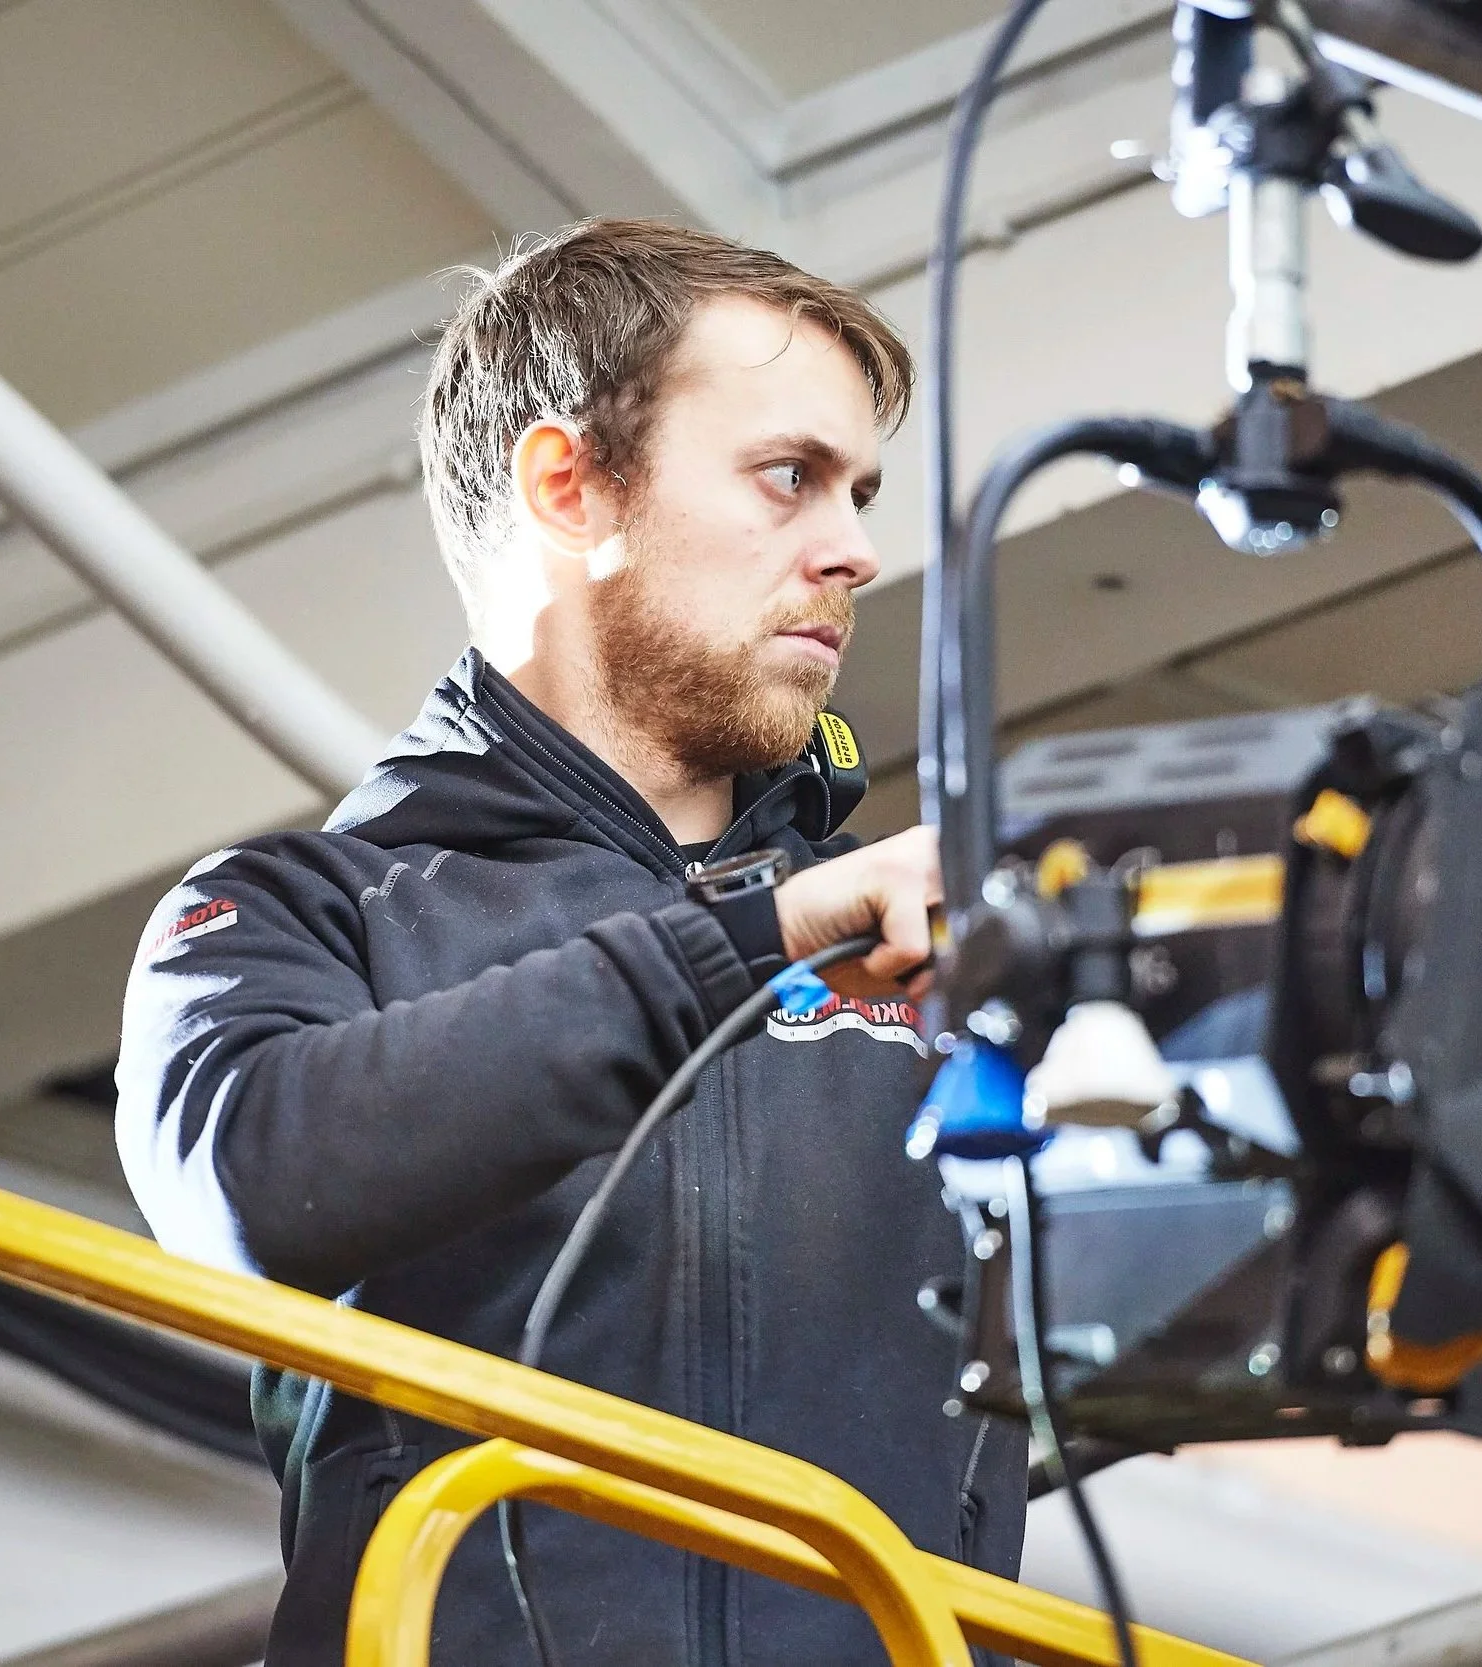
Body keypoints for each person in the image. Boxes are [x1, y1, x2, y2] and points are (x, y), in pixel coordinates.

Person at [114, 219, 1024, 1666]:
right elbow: (248, 1185)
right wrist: (755, 940)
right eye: (788, 476)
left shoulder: (945, 962)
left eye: (858, 493)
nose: (854, 550)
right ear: (570, 486)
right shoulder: (299, 915)